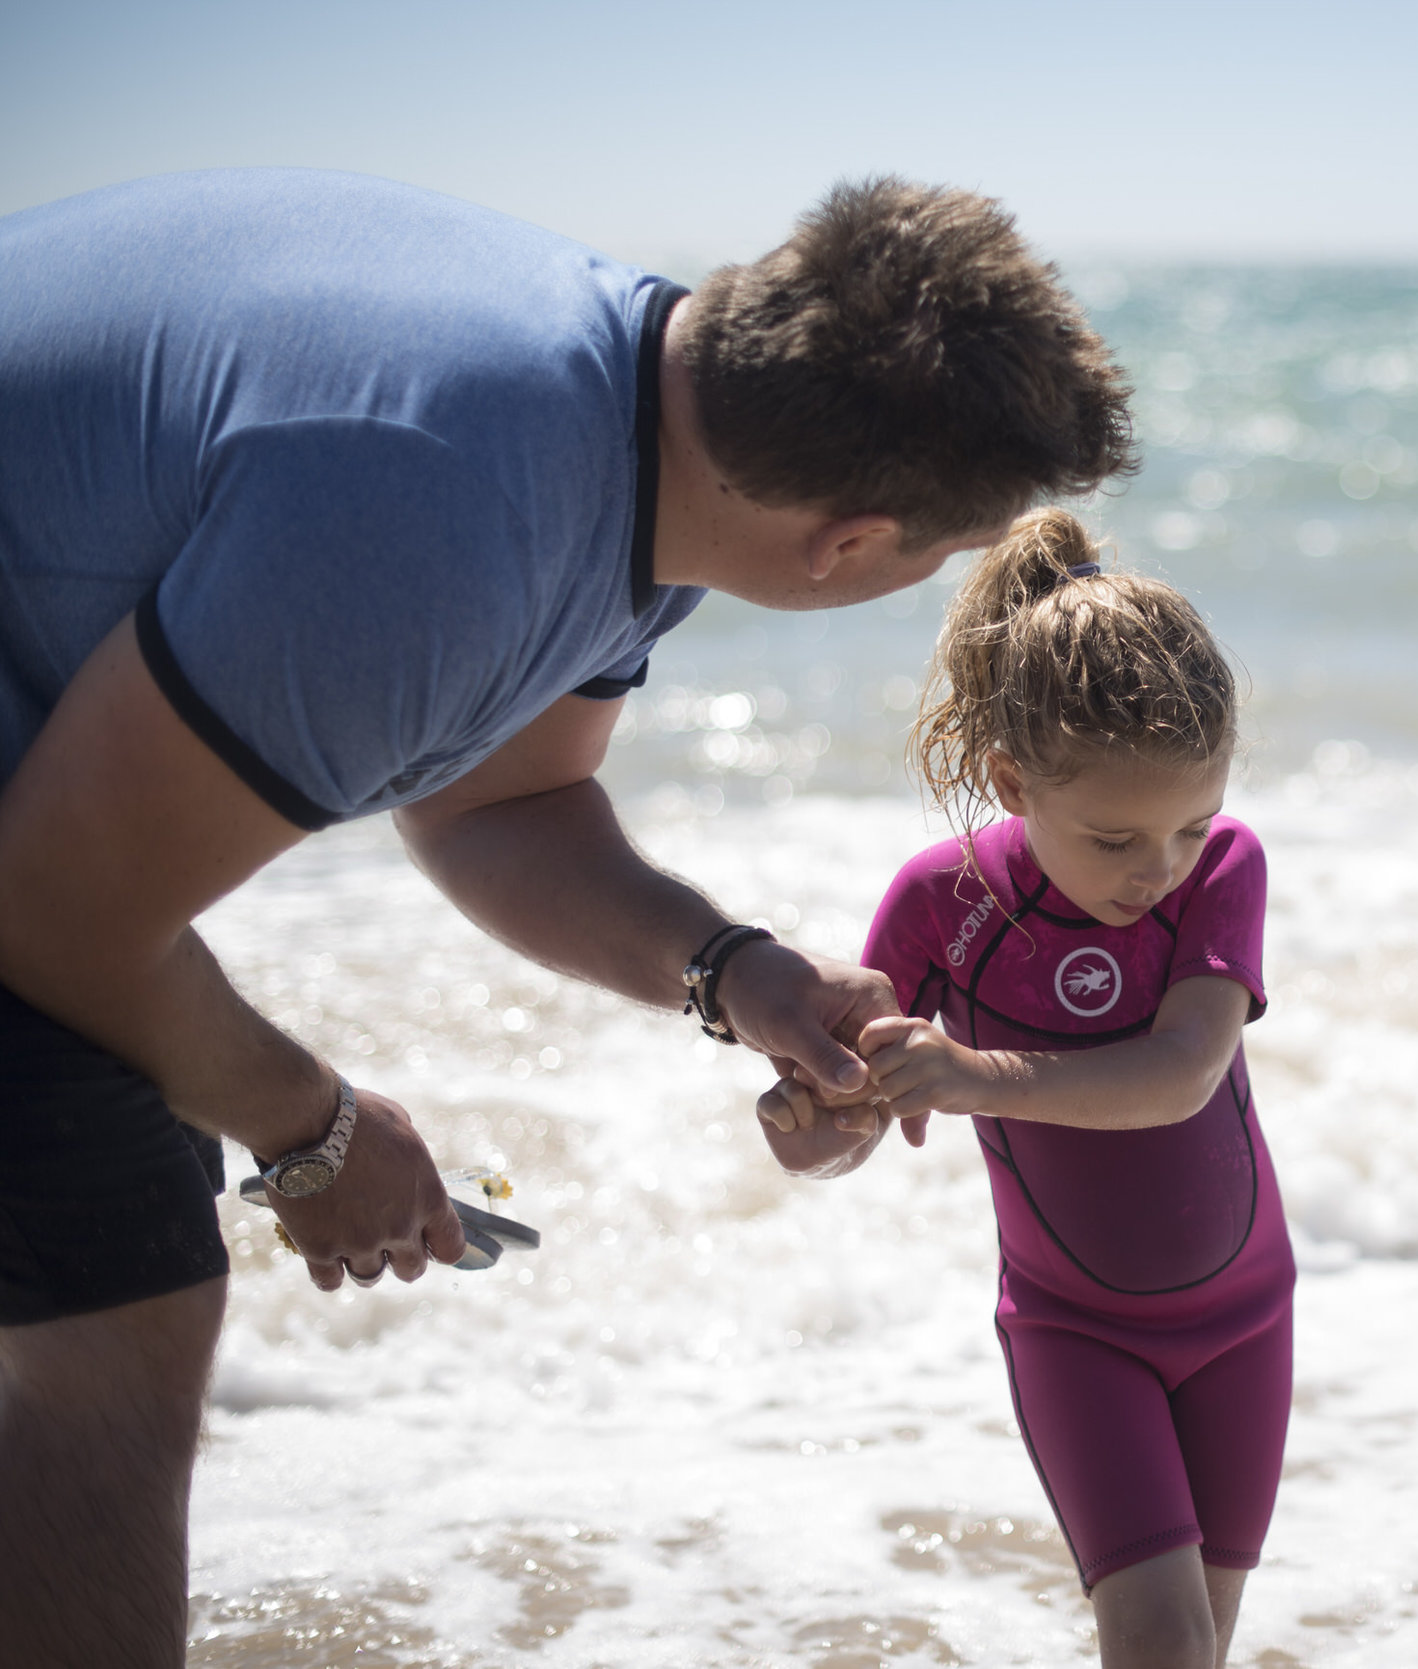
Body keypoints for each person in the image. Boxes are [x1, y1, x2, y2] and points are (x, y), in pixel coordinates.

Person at [0, 170, 1135, 1667]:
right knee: (114, 1337)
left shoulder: (626, 416)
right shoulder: (441, 515)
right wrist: (313, 1130)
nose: (931, 580)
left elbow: (498, 809)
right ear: (851, 544)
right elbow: (56, 917)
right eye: (942, 553)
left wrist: (740, 974)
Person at [760, 510, 1292, 1669]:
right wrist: (813, 1122)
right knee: (1156, 1642)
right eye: (1113, 837)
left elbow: (1183, 1073)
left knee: (1201, 1644)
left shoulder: (1224, 872)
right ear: (1012, 780)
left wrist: (968, 1074)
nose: (1155, 871)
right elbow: (853, 1120)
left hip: (1248, 1318)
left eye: (1187, 827)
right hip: (1075, 1331)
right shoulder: (940, 903)